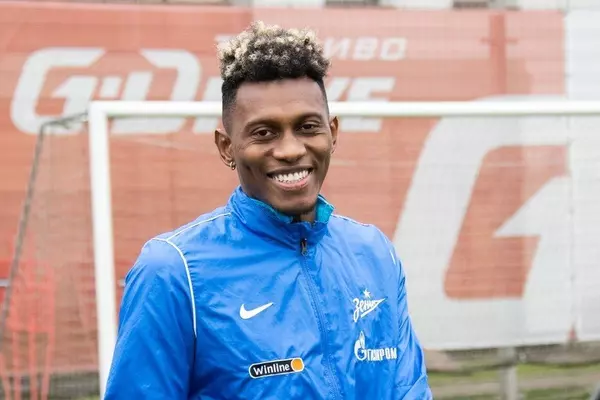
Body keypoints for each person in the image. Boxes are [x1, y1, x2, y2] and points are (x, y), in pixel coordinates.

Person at [104, 21, 431, 399]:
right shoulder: (173, 271)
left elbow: (409, 390)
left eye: (307, 127)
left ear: (332, 133)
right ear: (226, 147)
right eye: (264, 133)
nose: (291, 150)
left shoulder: (373, 253)